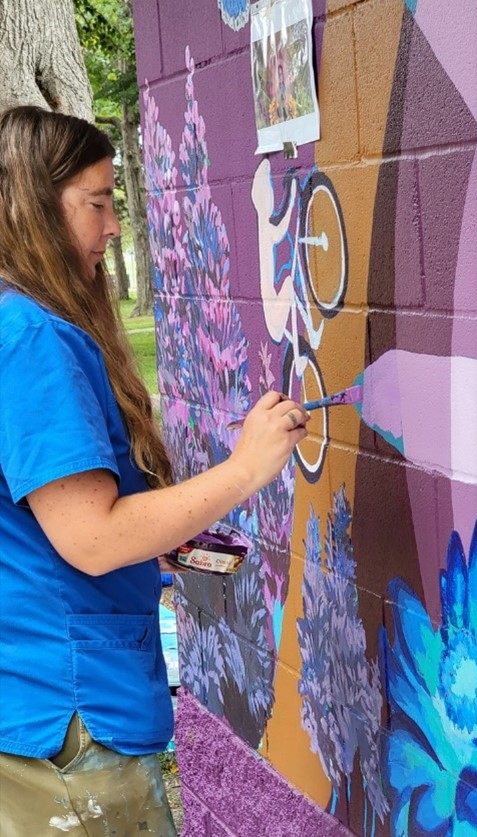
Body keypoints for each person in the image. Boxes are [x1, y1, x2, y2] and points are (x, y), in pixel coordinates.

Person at [0, 107, 310, 835]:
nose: (114, 227)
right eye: (98, 203)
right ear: (34, 207)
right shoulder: (31, 339)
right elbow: (93, 537)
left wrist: (160, 539)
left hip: (55, 702)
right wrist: (243, 471)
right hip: (74, 720)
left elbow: (50, 523)